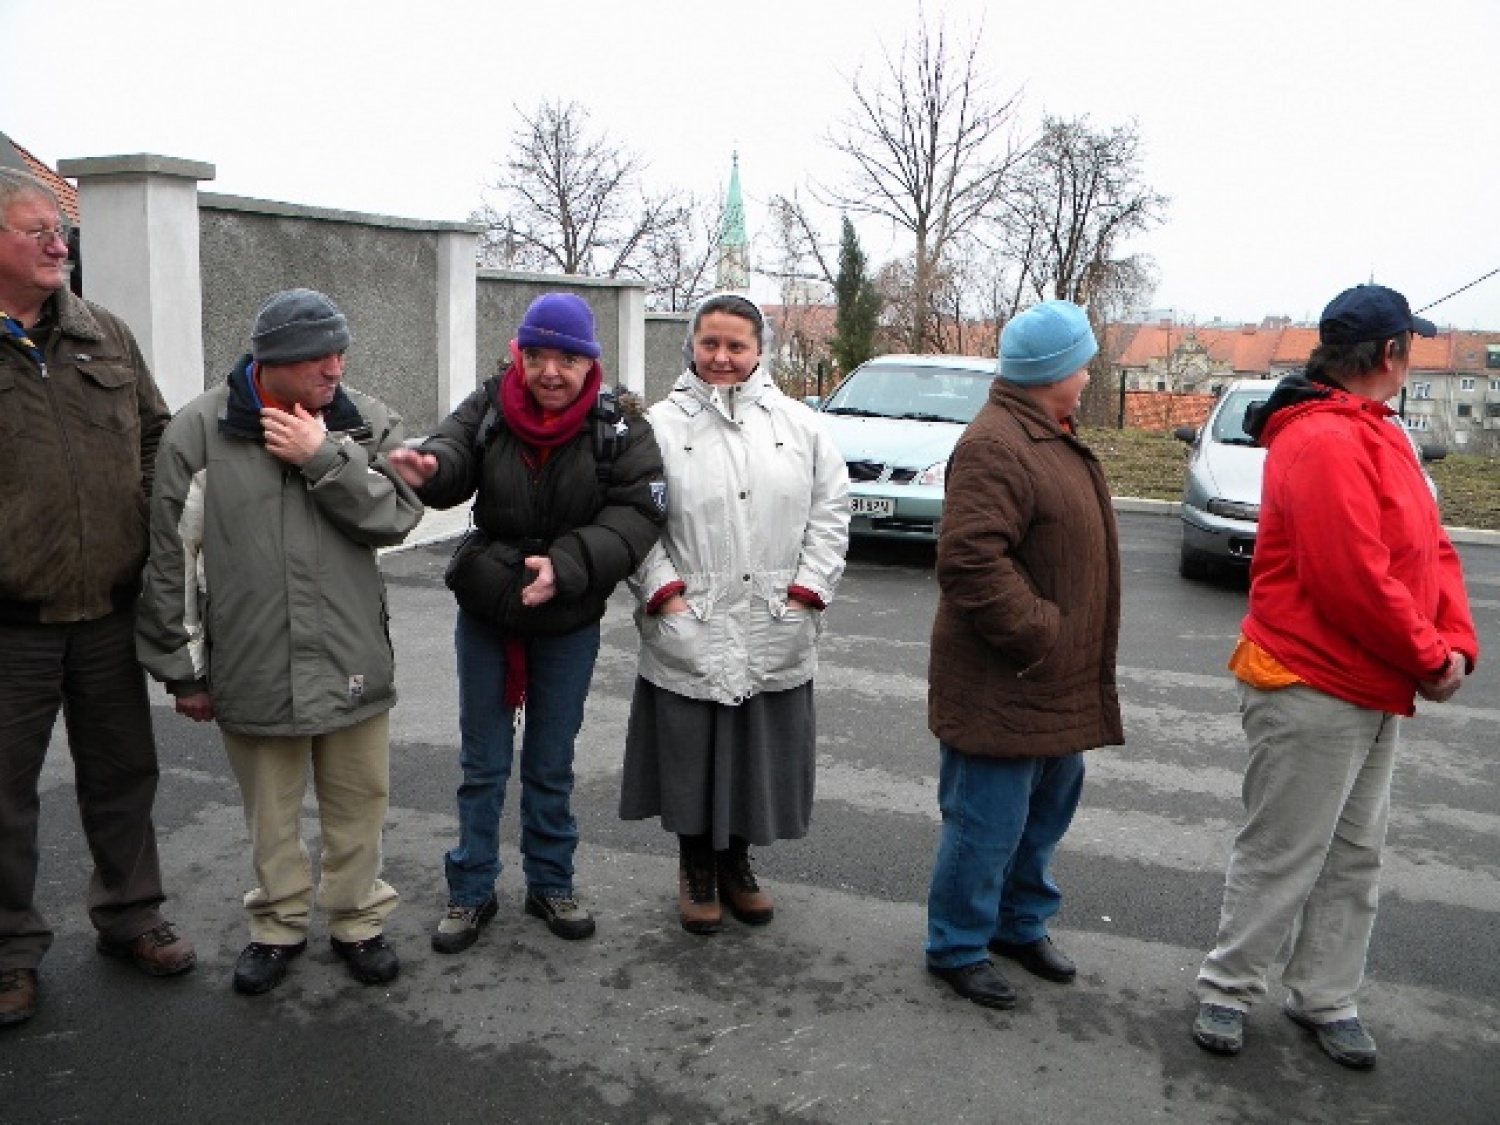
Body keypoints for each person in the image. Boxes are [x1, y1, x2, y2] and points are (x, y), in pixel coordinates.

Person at [1191, 284, 1478, 1068]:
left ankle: (1325, 995)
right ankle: (1228, 987)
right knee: (1285, 848)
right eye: (1409, 346)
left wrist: (1455, 639)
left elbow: (1432, 549)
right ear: (1388, 354)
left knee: (1355, 855)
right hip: (1310, 681)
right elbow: (1350, 576)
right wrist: (1428, 657)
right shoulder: (1321, 439)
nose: (1412, 358)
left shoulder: (1382, 434)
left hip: (1375, 682)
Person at [136, 289, 423, 995]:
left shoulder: (363, 420)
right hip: (253, 660)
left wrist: (324, 455)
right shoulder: (199, 432)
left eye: (340, 351)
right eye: (318, 356)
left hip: (351, 654)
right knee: (271, 810)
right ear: (272, 361)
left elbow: (398, 515)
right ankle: (277, 924)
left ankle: (358, 918)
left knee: (360, 801)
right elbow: (173, 557)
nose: (336, 367)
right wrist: (186, 672)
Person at [387, 293, 665, 952]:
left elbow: (638, 514)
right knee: (482, 762)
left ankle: (551, 880)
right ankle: (470, 887)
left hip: (567, 613)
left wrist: (566, 565)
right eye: (537, 354)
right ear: (519, 354)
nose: (549, 371)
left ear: (589, 360)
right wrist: (430, 468)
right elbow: (451, 454)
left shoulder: (620, 424)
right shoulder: (491, 404)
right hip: (490, 604)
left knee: (549, 761)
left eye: (566, 357)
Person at [0, 169, 195, 1028]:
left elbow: (156, 435)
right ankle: (9, 951)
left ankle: (130, 915)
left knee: (123, 775)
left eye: (61, 229)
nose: (57, 242)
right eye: (36, 227)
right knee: (2, 793)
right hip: (11, 623)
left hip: (108, 612)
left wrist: (146, 529)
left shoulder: (102, 334)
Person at [620, 293, 850, 935]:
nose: (722, 357)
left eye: (737, 345)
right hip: (691, 615)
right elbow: (634, 518)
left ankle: (738, 863)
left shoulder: (799, 425)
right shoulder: (658, 428)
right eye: (710, 343)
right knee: (692, 748)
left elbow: (832, 512)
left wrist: (809, 588)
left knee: (755, 751)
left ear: (760, 351)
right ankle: (697, 865)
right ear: (691, 346)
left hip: (773, 616)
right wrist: (662, 591)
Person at [923, 299, 1122, 1010]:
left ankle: (1017, 923)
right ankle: (956, 944)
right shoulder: (997, 443)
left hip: (1052, 682)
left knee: (1040, 821)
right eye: (1083, 361)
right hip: (1005, 677)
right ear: (1053, 371)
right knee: (985, 825)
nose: (1091, 373)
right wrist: (1040, 631)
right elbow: (971, 560)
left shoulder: (1047, 430)